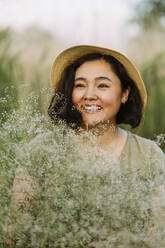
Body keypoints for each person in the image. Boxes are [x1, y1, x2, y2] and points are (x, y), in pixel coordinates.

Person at [6, 45, 165, 246]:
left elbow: (159, 236)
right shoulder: (42, 149)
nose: (89, 95)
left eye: (102, 86)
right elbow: (14, 236)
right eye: (80, 85)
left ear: (124, 93)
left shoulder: (149, 154)